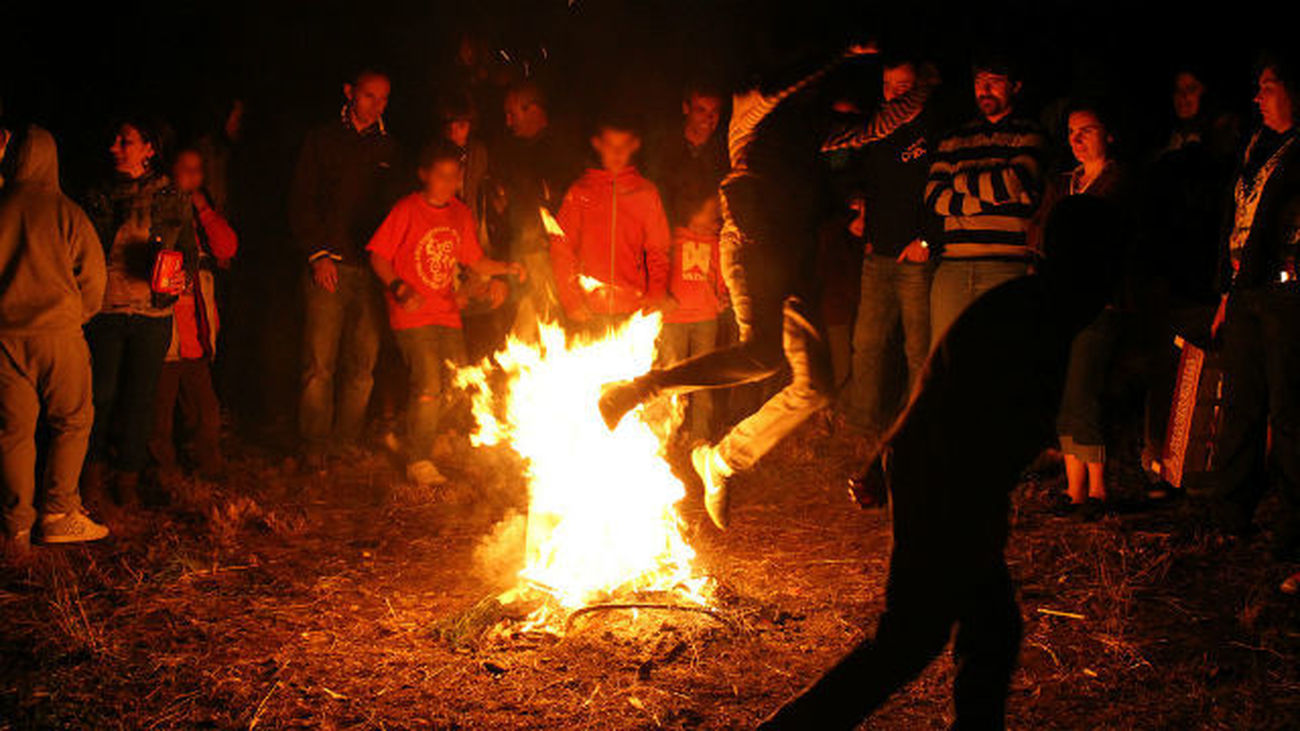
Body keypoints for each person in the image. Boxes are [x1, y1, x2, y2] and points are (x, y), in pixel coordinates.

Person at [760, 194, 1125, 730]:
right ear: (1084, 264)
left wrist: (887, 459)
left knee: (990, 630)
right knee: (910, 640)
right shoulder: (1029, 317)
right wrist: (900, 465)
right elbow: (949, 398)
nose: (1113, 288)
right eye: (1109, 269)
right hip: (949, 483)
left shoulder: (1030, 307)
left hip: (948, 478)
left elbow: (936, 382)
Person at [598, 42, 931, 529]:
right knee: (761, 354)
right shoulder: (750, 105)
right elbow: (788, 81)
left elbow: (879, 125)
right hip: (753, 241)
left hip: (795, 253)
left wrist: (926, 88)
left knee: (815, 386)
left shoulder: (811, 128)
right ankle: (636, 391)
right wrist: (843, 50)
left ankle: (720, 461)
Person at [367, 141, 523, 488]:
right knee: (428, 383)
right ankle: (418, 460)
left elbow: (474, 260)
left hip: (447, 312)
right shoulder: (407, 209)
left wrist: (507, 268)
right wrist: (399, 287)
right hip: (412, 313)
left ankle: (418, 436)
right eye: (441, 176)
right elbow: (378, 256)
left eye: (455, 176)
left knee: (457, 381)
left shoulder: (460, 213)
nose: (449, 183)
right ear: (424, 175)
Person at [1200, 55, 1300, 566]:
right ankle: (1229, 515)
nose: (1258, 98)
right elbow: (1234, 218)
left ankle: (1292, 531)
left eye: (1268, 87)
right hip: (1245, 294)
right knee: (1240, 404)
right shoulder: (1255, 146)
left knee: (1289, 411)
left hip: (1286, 295)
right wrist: (1226, 292)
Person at [0, 124, 110, 558]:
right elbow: (94, 279)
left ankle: (15, 528)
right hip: (58, 336)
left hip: (5, 339)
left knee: (13, 432)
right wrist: (76, 316)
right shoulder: (68, 213)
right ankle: (59, 511)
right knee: (73, 421)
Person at [823, 55, 940, 433]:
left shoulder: (931, 128)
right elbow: (859, 178)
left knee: (917, 348)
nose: (893, 94)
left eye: (902, 86)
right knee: (867, 341)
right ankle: (862, 420)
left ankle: (914, 423)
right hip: (878, 252)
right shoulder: (876, 129)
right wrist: (860, 213)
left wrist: (926, 239)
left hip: (915, 255)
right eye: (887, 86)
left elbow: (941, 187)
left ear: (917, 88)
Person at [289, 68, 399, 471]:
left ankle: (345, 440)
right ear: (350, 92)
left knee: (363, 365)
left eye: (384, 98)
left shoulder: (389, 147)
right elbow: (301, 200)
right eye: (370, 96)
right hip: (330, 265)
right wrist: (317, 254)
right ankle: (314, 444)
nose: (377, 105)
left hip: (371, 270)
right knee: (319, 364)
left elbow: (396, 212)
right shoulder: (322, 139)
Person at [83, 119, 196, 505]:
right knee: (99, 398)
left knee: (140, 399)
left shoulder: (171, 196)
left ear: (149, 149)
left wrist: (182, 277)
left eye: (125, 141)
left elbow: (188, 250)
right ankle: (92, 476)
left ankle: (127, 480)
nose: (114, 147)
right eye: (114, 140)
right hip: (105, 310)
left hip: (152, 314)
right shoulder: (98, 194)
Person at [1038, 104, 1131, 518]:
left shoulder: (1118, 182)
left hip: (1099, 302)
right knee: (1065, 390)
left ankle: (1098, 490)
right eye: (1071, 132)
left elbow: (1107, 239)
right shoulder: (1064, 184)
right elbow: (1044, 235)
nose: (1076, 139)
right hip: (1063, 301)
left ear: (1108, 134)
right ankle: (1074, 490)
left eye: (1086, 130)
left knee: (1083, 388)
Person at [925, 54, 1048, 348]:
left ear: (1015, 86)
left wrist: (959, 182)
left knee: (1000, 355)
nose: (985, 89)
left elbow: (1015, 182)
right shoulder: (953, 138)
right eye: (980, 82)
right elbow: (934, 197)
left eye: (995, 81)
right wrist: (996, 196)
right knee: (945, 355)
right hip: (953, 267)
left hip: (1007, 267)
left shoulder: (1030, 134)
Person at [148, 148, 238, 484]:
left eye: (198, 169)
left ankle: (207, 470)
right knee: (160, 411)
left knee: (205, 410)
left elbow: (227, 247)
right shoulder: (157, 208)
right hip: (164, 330)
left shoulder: (202, 214)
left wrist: (204, 209)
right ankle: (163, 475)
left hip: (196, 332)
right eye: (185, 168)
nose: (192, 176)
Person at [550, 115, 672, 335]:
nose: (617, 153)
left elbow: (658, 249)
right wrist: (571, 300)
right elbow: (561, 248)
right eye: (610, 146)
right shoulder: (580, 192)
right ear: (598, 144)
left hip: (634, 310)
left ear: (634, 146)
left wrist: (656, 293)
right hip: (588, 310)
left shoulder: (645, 193)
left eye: (623, 146)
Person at [491, 81, 576, 341]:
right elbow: (505, 212)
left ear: (534, 110)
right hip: (520, 255)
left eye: (512, 113)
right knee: (521, 327)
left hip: (550, 254)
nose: (508, 122)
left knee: (549, 323)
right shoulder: (510, 152)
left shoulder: (562, 150)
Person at [659, 187, 727, 443]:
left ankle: (700, 435)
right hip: (674, 320)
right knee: (671, 379)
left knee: (703, 379)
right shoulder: (673, 240)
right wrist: (661, 296)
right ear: (692, 213)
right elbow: (660, 270)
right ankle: (668, 433)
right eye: (711, 213)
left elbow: (721, 276)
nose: (716, 218)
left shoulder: (717, 244)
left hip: (706, 319)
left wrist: (722, 297)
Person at [645, 82, 729, 228]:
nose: (708, 118)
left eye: (714, 112)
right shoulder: (661, 148)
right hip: (668, 233)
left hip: (711, 236)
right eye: (701, 110)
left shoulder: (726, 152)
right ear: (686, 108)